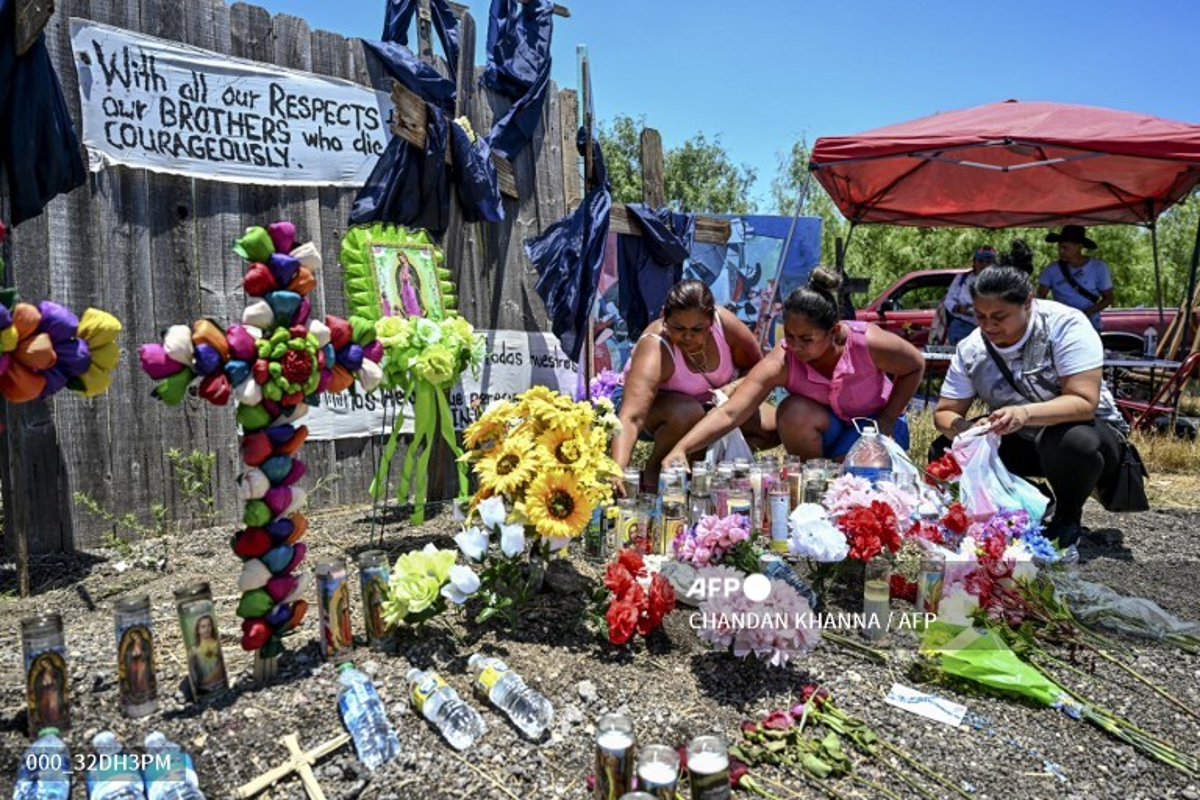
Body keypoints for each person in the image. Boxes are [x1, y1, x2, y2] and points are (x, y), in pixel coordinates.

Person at [932, 265, 1126, 546]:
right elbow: (944, 412)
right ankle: (1030, 499)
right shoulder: (971, 348)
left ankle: (1068, 517)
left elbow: (1084, 402)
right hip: (1024, 437)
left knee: (1071, 440)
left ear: (1028, 302)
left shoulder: (1065, 325)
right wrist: (967, 428)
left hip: (1090, 439)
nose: (988, 326)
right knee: (946, 449)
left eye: (999, 317)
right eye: (980, 316)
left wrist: (1022, 414)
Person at [664, 268, 925, 465]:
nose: (795, 346)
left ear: (833, 331)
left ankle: (840, 470)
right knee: (791, 411)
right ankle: (813, 476)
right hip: (827, 429)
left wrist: (888, 418)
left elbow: (915, 365)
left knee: (856, 481)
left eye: (806, 339)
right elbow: (732, 412)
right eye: (789, 335)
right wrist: (681, 449)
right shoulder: (783, 359)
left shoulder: (867, 342)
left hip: (874, 426)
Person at [612, 279, 776, 490]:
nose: (688, 337)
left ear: (711, 322)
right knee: (688, 412)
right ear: (664, 317)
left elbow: (759, 372)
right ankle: (654, 473)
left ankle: (711, 465)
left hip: (711, 406)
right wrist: (617, 470)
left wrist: (734, 388)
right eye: (678, 328)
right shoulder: (656, 346)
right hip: (656, 412)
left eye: (698, 329)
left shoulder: (725, 325)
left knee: (773, 425)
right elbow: (632, 416)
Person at [1036, 225, 1113, 330]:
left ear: (1079, 247)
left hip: (1090, 325)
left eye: (1065, 248)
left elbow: (1108, 298)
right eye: (1059, 247)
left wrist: (1087, 312)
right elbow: (1040, 299)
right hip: (1061, 327)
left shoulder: (1099, 267)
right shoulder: (1051, 270)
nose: (1060, 251)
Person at [943, 246, 997, 345]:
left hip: (991, 326)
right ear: (974, 262)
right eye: (980, 261)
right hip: (963, 325)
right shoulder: (961, 278)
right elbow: (949, 300)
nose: (984, 264)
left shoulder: (1000, 280)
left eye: (988, 261)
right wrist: (959, 308)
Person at [189, 614, 226, 693]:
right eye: (203, 626)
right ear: (198, 630)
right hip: (204, 689)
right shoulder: (194, 650)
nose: (207, 629)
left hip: (221, 684)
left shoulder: (217, 644)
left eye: (209, 625)